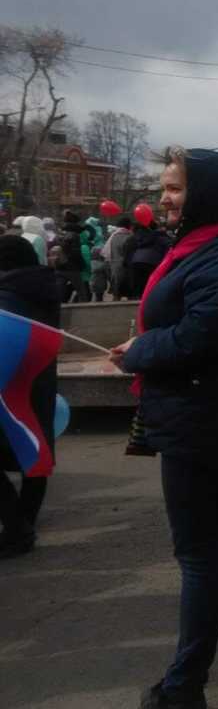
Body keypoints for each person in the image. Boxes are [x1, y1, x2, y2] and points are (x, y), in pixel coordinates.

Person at [107, 147, 218, 707]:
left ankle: (184, 685)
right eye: (164, 186)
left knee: (201, 559)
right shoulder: (201, 247)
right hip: (203, 416)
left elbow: (202, 335)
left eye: (175, 188)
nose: (163, 196)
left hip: (205, 423)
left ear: (206, 195)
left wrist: (139, 350)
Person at [0, 235, 63, 559]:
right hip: (39, 379)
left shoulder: (8, 294)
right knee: (35, 454)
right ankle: (23, 523)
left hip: (8, 383)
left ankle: (17, 528)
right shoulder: (43, 286)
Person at [125, 210, 172, 299]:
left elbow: (128, 251)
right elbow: (170, 248)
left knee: (138, 290)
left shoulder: (135, 238)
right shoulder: (160, 237)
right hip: (153, 263)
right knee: (151, 288)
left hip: (135, 263)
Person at [54, 210, 89, 303]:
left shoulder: (60, 233)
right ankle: (85, 310)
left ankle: (59, 308)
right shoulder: (74, 235)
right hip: (72, 267)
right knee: (81, 291)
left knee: (60, 290)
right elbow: (75, 253)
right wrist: (82, 265)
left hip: (59, 266)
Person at [108, 214, 133, 299]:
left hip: (115, 267)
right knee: (130, 294)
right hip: (126, 268)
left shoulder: (113, 236)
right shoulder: (130, 236)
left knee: (116, 294)